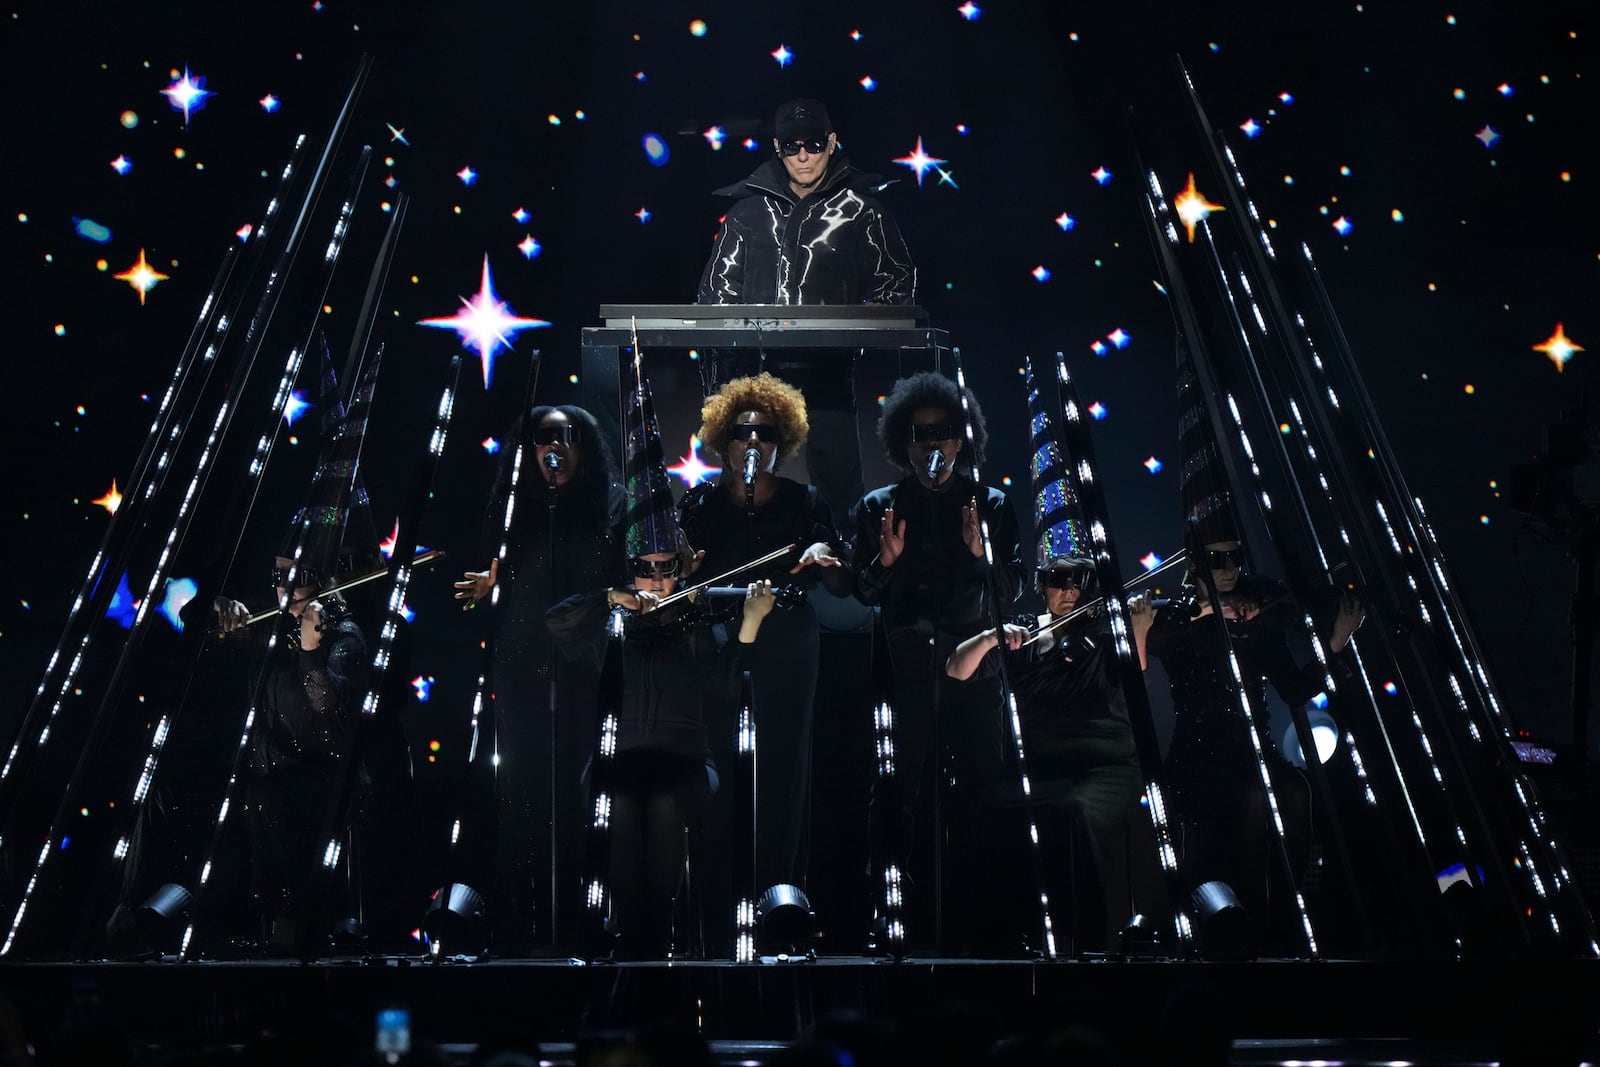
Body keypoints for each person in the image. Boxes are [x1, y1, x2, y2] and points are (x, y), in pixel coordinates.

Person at [849, 371, 1024, 951]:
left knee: (984, 784)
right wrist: (885, 562)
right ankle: (894, 912)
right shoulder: (879, 506)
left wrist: (981, 556)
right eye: (922, 434)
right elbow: (863, 593)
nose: (933, 444)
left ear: (960, 439)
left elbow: (1012, 593)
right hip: (904, 670)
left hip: (974, 670)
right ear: (905, 442)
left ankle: (993, 916)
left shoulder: (993, 505)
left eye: (944, 432)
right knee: (899, 789)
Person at [547, 539, 778, 959]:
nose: (657, 579)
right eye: (645, 568)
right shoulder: (611, 621)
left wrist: (751, 621)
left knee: (665, 801)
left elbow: (727, 686)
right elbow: (557, 622)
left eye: (667, 568)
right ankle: (630, 934)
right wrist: (608, 598)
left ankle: (655, 935)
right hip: (617, 759)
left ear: (680, 569)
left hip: (685, 759)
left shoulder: (695, 622)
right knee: (618, 800)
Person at [697, 98, 916, 536]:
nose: (802, 155)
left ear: (831, 143)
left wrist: (852, 333)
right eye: (792, 145)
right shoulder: (748, 214)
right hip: (754, 377)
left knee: (841, 498)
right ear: (778, 148)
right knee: (744, 489)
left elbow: (895, 284)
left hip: (826, 374)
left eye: (812, 144)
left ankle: (846, 584)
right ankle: (743, 576)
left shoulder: (861, 211)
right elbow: (715, 296)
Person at [453, 404, 625, 955]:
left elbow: (629, 578)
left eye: (567, 436)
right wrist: (487, 585)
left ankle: (578, 922)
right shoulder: (511, 510)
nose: (556, 447)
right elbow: (487, 584)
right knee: (520, 796)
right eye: (544, 438)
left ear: (585, 446)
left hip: (586, 665)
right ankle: (516, 928)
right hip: (523, 666)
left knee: (580, 793)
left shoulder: (609, 504)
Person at [1140, 534, 1365, 955]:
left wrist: (1335, 643)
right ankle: (1248, 926)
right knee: (1252, 799)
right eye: (1216, 558)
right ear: (1193, 562)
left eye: (1235, 557)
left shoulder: (1258, 620)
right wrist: (1213, 611)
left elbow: (1296, 689)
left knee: (1297, 792)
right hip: (1199, 752)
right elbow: (1153, 640)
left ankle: (1285, 911)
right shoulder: (1177, 621)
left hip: (1252, 747)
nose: (1228, 568)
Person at [676, 373, 850, 910]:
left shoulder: (807, 501)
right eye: (743, 432)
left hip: (788, 642)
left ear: (782, 444)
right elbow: (680, 587)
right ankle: (714, 893)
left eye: (766, 434)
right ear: (724, 442)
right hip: (721, 641)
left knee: (784, 761)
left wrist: (827, 558)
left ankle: (781, 894)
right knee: (715, 759)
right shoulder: (699, 504)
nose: (754, 442)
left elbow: (845, 586)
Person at [946, 556, 1144, 954]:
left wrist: (1137, 629)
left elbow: (1133, 677)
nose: (1070, 591)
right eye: (1059, 581)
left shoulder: (1108, 630)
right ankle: (1016, 934)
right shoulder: (1026, 635)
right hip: (1037, 763)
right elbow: (956, 668)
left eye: (1081, 582)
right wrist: (988, 638)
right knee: (986, 809)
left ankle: (1088, 936)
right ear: (1042, 586)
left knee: (1074, 809)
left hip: (1104, 765)